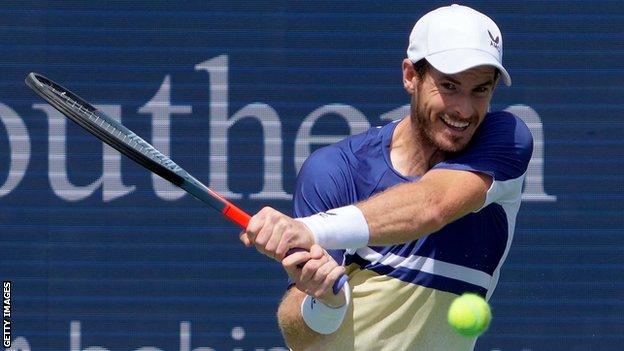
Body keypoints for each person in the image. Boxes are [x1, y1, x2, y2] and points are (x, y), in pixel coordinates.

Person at [240, 4, 533, 351]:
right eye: (449, 86)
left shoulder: (505, 139)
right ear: (411, 76)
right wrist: (324, 303)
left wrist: (310, 228)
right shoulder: (335, 171)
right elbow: (298, 337)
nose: (464, 110)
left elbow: (432, 206)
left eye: (480, 90)